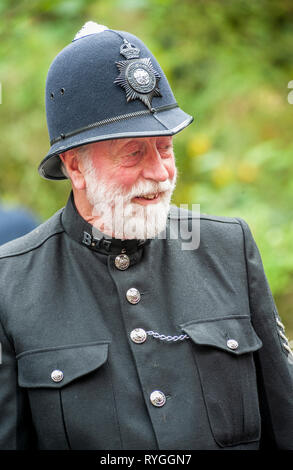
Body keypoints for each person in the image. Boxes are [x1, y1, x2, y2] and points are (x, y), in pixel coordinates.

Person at [0, 21, 292, 451]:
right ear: (75, 166)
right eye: (134, 152)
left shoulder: (228, 248)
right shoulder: (10, 285)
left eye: (166, 147)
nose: (159, 172)